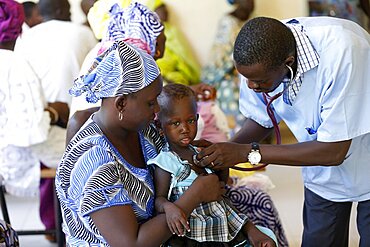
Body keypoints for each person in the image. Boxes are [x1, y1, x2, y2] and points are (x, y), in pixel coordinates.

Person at [195, 16, 370, 247]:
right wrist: (224, 154)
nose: (251, 86)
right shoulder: (256, 56)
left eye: (259, 81)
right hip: (322, 172)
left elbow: (333, 151)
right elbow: (261, 118)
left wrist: (248, 152)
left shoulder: (344, 52)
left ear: (288, 62)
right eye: (247, 79)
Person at [56, 40, 225, 246]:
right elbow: (131, 244)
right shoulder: (94, 161)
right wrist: (195, 195)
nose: (157, 111)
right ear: (121, 103)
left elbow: (174, 160)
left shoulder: (142, 129)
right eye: (151, 102)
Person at [148, 84, 277, 246]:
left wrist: (221, 166)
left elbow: (221, 190)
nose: (185, 129)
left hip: (220, 230)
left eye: (190, 121)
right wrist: (169, 208)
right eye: (175, 123)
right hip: (192, 237)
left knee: (268, 237)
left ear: (197, 119)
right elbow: (159, 198)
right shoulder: (166, 161)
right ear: (160, 126)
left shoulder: (200, 151)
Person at [0, 0, 68, 242]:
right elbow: (33, 131)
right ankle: (70, 226)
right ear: (18, 27)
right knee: (80, 149)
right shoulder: (14, 63)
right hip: (15, 154)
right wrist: (54, 113)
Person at [201, 0, 254, 135]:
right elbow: (223, 56)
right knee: (236, 93)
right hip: (225, 73)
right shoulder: (228, 22)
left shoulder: (254, 20)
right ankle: (240, 140)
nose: (251, 3)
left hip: (248, 68)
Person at [147, 0, 201, 86]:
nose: (164, 12)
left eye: (165, 10)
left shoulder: (173, 32)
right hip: (157, 76)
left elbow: (185, 57)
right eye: (159, 9)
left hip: (176, 76)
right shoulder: (145, 36)